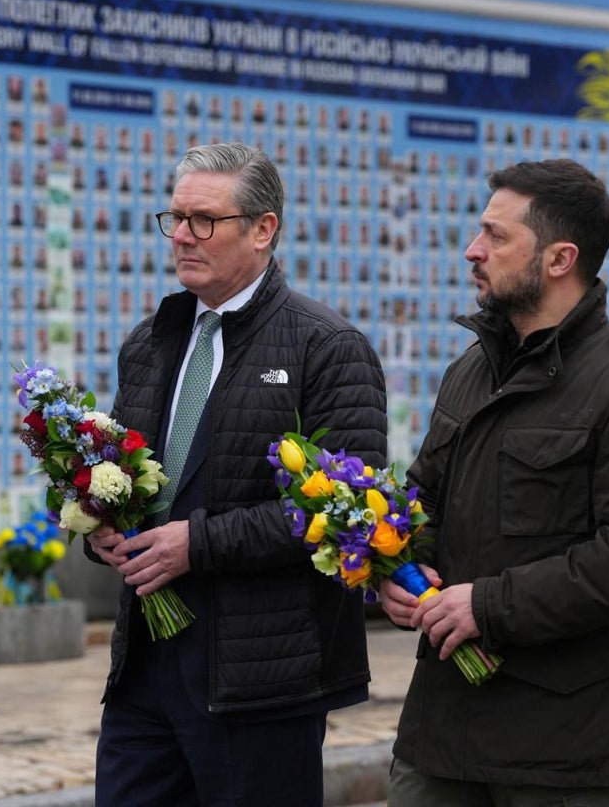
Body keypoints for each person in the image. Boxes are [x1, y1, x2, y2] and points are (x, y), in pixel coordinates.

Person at [380, 159, 609, 805]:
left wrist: (487, 606)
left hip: (564, 751)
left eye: (496, 237)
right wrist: (396, 565)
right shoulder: (469, 371)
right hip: (443, 735)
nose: (474, 251)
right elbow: (424, 501)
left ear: (559, 259)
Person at [84, 143, 387, 805]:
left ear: (263, 229)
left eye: (204, 220)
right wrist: (101, 527)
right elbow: (120, 474)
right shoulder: (150, 341)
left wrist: (199, 543)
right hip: (145, 670)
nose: (184, 236)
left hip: (261, 678)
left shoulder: (327, 347)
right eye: (175, 218)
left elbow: (348, 513)